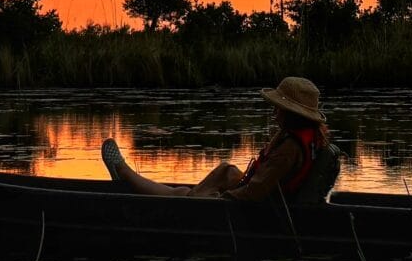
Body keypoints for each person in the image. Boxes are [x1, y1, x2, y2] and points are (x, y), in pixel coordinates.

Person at [99, 76, 337, 204]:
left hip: (261, 210)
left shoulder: (289, 149)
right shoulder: (302, 138)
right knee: (224, 172)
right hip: (262, 196)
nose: (274, 113)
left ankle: (126, 175)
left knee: (183, 197)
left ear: (292, 113)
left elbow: (256, 191)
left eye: (279, 108)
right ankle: (134, 178)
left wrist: (222, 199)